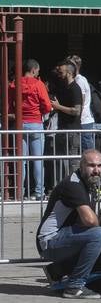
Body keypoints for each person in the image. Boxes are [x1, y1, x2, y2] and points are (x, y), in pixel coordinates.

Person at [36, 149, 101, 299]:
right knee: (99, 235)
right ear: (81, 166)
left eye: (100, 166)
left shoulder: (87, 183)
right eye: (91, 165)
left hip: (63, 236)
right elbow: (90, 220)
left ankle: (58, 269)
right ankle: (74, 286)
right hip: (49, 241)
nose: (96, 170)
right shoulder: (73, 185)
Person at [10, 58, 52, 200]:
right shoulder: (38, 84)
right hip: (35, 124)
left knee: (21, 160)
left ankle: (19, 192)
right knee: (38, 160)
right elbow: (47, 105)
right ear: (34, 70)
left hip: (20, 124)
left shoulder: (15, 83)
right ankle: (39, 192)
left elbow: (9, 104)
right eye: (38, 71)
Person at [49, 58, 83, 170]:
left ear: (69, 73)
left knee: (73, 162)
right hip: (62, 129)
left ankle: (74, 185)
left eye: (61, 72)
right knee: (60, 162)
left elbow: (76, 111)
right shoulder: (64, 88)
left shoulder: (75, 89)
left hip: (72, 131)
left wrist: (58, 107)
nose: (59, 75)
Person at [69, 55, 95, 151]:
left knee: (88, 151)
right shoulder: (80, 79)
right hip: (83, 120)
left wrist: (76, 116)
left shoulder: (79, 80)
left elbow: (81, 101)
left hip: (83, 121)